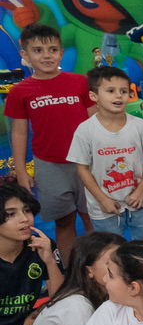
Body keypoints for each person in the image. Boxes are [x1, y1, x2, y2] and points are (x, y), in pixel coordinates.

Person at [4, 24, 93, 261]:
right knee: (64, 223)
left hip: (88, 162)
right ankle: (73, 274)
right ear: (25, 55)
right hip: (49, 167)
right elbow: (19, 133)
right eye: (38, 50)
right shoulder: (20, 91)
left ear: (61, 53)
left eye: (53, 49)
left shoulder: (79, 82)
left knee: (94, 218)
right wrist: (21, 171)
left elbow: (96, 120)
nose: (46, 55)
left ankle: (103, 269)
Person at [67, 66, 143, 242]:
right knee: (109, 249)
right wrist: (102, 199)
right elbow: (82, 168)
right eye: (110, 91)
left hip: (140, 201)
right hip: (104, 207)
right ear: (93, 96)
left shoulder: (139, 126)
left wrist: (141, 190)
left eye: (124, 91)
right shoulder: (85, 130)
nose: (119, 95)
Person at [0, 182, 64, 325]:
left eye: (27, 211)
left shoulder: (42, 245)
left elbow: (61, 299)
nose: (25, 219)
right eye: (11, 214)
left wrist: (50, 261)